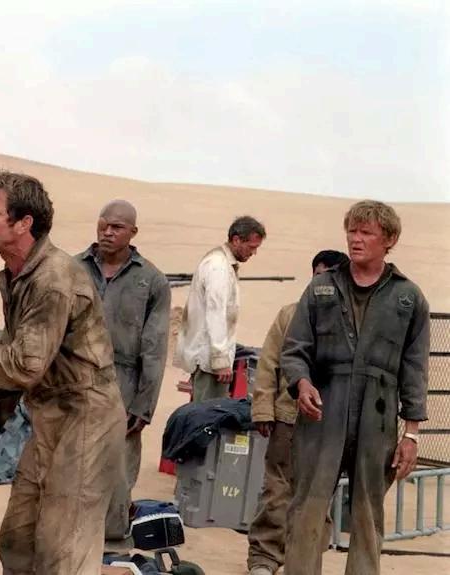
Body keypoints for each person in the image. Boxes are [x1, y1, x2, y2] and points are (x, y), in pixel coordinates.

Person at [0, 171, 126, 575]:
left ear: (23, 223)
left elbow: (24, 365)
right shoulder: (21, 275)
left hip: (86, 419)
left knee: (62, 548)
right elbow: (20, 349)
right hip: (50, 417)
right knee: (19, 539)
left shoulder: (52, 279)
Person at [281, 200, 430, 575]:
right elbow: (294, 349)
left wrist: (411, 435)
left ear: (389, 240)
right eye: (352, 231)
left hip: (377, 418)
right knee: (307, 509)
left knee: (367, 514)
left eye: (366, 233)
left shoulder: (408, 298)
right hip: (322, 413)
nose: (356, 239)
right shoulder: (320, 288)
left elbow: (415, 370)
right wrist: (301, 383)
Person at [246, 249, 349, 575]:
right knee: (277, 491)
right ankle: (264, 558)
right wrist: (264, 410)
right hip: (287, 419)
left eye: (332, 276)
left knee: (319, 497)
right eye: (319, 275)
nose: (324, 282)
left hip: (330, 425)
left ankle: (303, 560)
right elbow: (268, 364)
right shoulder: (290, 315)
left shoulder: (353, 323)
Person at [76, 200, 171, 544]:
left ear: (133, 232)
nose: (107, 232)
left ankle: (111, 544)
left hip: (124, 387)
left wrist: (144, 406)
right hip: (72, 381)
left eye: (116, 227)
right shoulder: (72, 269)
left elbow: (155, 349)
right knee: (69, 467)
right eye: (103, 225)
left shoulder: (152, 281)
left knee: (117, 473)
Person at [175, 216, 266, 401]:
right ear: (236, 240)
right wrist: (220, 360)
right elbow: (215, 313)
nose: (254, 253)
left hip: (208, 359)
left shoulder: (222, 263)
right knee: (208, 414)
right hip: (208, 361)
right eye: (251, 247)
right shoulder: (218, 266)